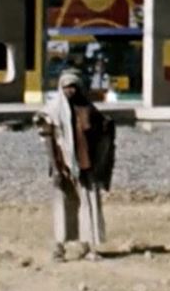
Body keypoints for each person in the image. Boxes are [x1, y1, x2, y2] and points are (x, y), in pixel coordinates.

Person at [33, 69, 115, 262]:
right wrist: (56, 168)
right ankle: (59, 248)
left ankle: (88, 247)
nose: (70, 90)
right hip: (63, 166)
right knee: (64, 206)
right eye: (66, 87)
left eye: (73, 86)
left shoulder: (87, 108)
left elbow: (100, 132)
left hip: (86, 166)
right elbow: (47, 139)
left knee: (89, 206)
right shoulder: (51, 110)